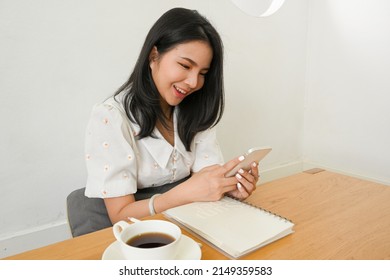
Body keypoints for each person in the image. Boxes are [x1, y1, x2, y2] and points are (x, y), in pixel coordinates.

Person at [84, 7, 259, 225]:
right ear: (154, 55)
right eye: (185, 65)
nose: (194, 83)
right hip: (142, 234)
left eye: (203, 73)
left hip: (192, 220)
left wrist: (229, 188)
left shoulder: (196, 109)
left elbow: (206, 179)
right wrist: (182, 194)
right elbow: (120, 215)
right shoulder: (111, 117)